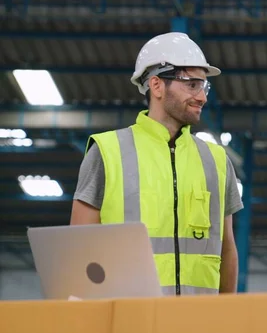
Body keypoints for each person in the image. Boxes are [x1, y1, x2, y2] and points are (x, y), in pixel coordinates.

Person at [69, 32, 243, 296]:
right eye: (192, 84)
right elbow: (78, 250)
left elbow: (227, 250)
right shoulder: (107, 151)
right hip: (128, 322)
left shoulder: (217, 161)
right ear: (157, 85)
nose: (202, 97)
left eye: (204, 86)